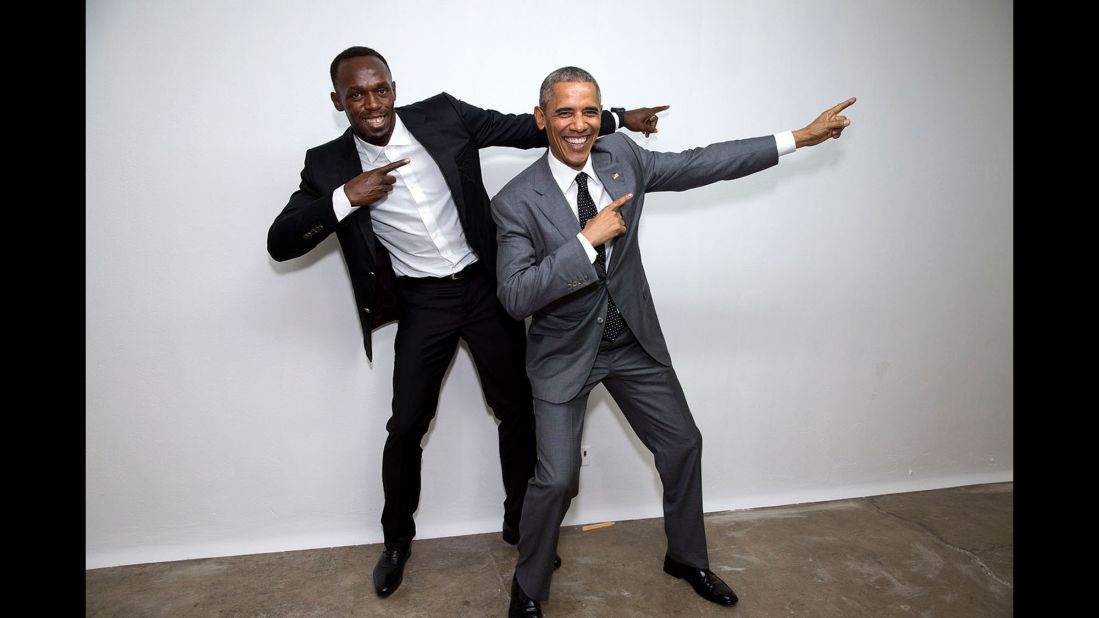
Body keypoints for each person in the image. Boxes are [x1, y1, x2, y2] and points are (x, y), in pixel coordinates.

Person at [267, 47, 668, 598]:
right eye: (356, 95)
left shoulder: (443, 116)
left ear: (393, 87)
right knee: (406, 425)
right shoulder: (327, 165)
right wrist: (344, 198)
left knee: (517, 410)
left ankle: (521, 526)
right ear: (339, 102)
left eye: (379, 89)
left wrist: (623, 116)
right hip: (423, 303)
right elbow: (281, 241)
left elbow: (528, 128)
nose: (371, 103)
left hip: (486, 288)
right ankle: (395, 541)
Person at [490, 66, 854, 616]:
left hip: (631, 342)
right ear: (542, 118)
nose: (579, 124)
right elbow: (515, 296)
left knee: (684, 443)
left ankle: (685, 557)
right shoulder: (515, 201)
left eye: (590, 110)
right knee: (557, 478)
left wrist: (797, 138)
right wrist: (584, 243)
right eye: (564, 112)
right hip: (565, 355)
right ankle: (529, 584)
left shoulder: (621, 157)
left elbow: (700, 164)